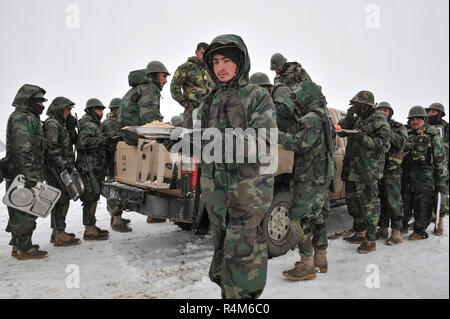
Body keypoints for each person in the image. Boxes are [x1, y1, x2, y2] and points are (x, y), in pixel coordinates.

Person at [196, 34, 277, 298]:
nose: (220, 67)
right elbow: (195, 140)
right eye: (216, 61)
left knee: (244, 261)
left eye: (227, 60)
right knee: (223, 259)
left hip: (247, 194)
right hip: (217, 195)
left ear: (240, 61)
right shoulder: (209, 100)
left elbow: (264, 142)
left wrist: (221, 142)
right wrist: (168, 140)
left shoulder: (256, 96)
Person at [277, 81, 334, 281]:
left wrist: (280, 136)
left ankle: (307, 263)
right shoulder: (325, 117)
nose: (296, 102)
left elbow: (301, 143)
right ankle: (321, 259)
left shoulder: (311, 118)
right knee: (318, 218)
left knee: (296, 219)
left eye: (297, 98)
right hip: (322, 177)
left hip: (309, 177)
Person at [338, 91, 390, 254]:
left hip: (367, 171)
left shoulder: (379, 119)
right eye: (355, 106)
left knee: (369, 205)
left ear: (368, 107)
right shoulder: (358, 119)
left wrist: (362, 138)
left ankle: (370, 239)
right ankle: (359, 233)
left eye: (359, 106)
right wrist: (349, 118)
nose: (357, 108)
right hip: (352, 169)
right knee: (354, 204)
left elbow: (384, 145)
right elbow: (340, 130)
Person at [4, 84, 49, 260]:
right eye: (39, 102)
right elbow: (23, 149)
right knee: (24, 210)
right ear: (28, 102)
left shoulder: (30, 118)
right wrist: (31, 175)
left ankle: (19, 245)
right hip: (23, 174)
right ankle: (24, 249)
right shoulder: (21, 118)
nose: (42, 106)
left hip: (25, 172)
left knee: (20, 209)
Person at [402, 106, 447, 240]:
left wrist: (441, 181)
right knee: (405, 203)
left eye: (418, 119)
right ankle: (403, 225)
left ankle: (420, 230)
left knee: (423, 205)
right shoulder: (405, 134)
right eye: (412, 119)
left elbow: (440, 160)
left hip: (426, 178)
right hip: (407, 176)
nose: (414, 122)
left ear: (424, 119)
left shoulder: (433, 135)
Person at [43, 96, 81, 246]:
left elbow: (69, 143)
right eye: (67, 109)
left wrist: (71, 130)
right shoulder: (52, 124)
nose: (69, 112)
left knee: (60, 199)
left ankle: (56, 232)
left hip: (60, 168)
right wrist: (64, 164)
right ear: (59, 110)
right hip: (56, 169)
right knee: (62, 200)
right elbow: (51, 149)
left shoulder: (60, 124)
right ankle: (60, 234)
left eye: (70, 109)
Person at [374, 102, 408, 245]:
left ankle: (396, 231)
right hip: (376, 169)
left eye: (386, 110)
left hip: (392, 170)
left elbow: (401, 143)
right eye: (380, 109)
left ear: (390, 112)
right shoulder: (373, 126)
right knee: (379, 200)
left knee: (393, 201)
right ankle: (382, 228)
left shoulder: (398, 127)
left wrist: (386, 128)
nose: (383, 111)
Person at [76, 98, 110, 240]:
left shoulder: (94, 124)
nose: (101, 113)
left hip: (93, 166)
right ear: (91, 110)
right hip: (88, 167)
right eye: (98, 109)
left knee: (93, 196)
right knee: (90, 197)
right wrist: (104, 141)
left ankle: (91, 226)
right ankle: (89, 229)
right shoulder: (89, 125)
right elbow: (83, 143)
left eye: (102, 110)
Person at [118, 62, 170, 145]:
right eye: (163, 76)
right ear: (155, 76)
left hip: (127, 135)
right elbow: (149, 119)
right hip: (136, 136)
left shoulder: (140, 87)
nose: (166, 81)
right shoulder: (150, 88)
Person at [101, 98, 132, 232]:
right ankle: (116, 220)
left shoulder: (116, 122)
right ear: (116, 109)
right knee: (114, 191)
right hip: (111, 162)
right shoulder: (110, 124)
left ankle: (117, 216)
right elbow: (115, 142)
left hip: (116, 161)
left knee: (119, 190)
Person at [170, 42, 214, 128]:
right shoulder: (187, 67)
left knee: (209, 136)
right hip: (192, 109)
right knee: (191, 137)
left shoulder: (209, 70)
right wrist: (185, 103)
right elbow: (174, 87)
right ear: (196, 52)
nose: (204, 56)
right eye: (202, 53)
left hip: (208, 110)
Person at [426, 102, 449, 234]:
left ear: (440, 113)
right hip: (427, 165)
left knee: (441, 193)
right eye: (429, 112)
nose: (430, 114)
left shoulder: (446, 128)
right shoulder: (426, 126)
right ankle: (427, 216)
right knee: (425, 192)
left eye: (434, 112)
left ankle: (440, 221)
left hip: (443, 164)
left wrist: (439, 145)